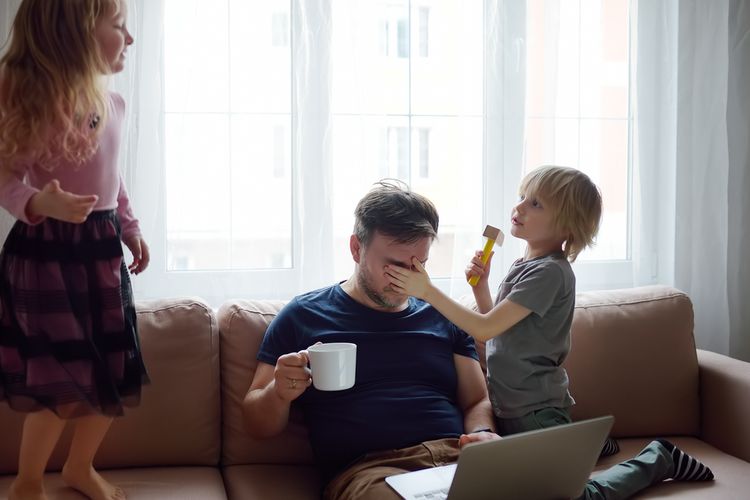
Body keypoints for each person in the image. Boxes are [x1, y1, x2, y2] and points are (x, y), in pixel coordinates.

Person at [245, 179, 713, 500]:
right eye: (394, 263)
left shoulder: (441, 316)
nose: (407, 277)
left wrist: (485, 434)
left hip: (457, 456)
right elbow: (258, 423)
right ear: (356, 248)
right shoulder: (304, 315)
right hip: (370, 470)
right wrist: (281, 393)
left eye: (419, 264)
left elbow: (476, 397)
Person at [384, 166, 714, 496]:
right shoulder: (524, 267)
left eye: (536, 204)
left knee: (575, 495)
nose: (520, 207)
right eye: (522, 197)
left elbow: (483, 327)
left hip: (535, 410)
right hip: (511, 406)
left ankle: (659, 459)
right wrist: (481, 288)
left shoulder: (550, 274)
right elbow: (495, 330)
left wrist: (426, 290)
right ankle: (591, 445)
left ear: (567, 226)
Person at [0, 1, 148, 499]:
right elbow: (4, 176)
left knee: (111, 368)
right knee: (58, 376)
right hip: (46, 257)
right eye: (119, 28)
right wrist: (38, 201)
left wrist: (130, 227)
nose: (129, 40)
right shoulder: (35, 101)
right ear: (78, 34)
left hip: (101, 253)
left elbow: (114, 180)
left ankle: (79, 467)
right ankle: (26, 483)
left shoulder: (115, 105)